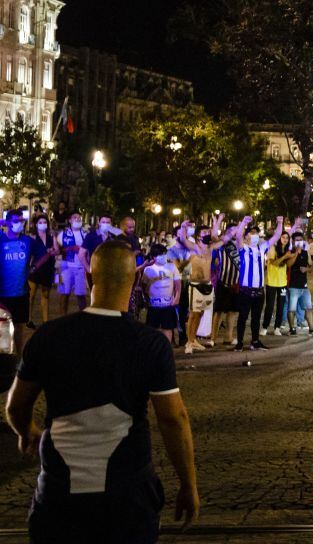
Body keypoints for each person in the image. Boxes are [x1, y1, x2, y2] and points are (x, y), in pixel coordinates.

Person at [5, 239, 199, 542]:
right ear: (135, 279)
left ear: (90, 278)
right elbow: (174, 419)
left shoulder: (47, 336)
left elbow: (16, 407)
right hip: (128, 500)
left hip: (58, 499)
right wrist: (188, 485)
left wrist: (27, 432)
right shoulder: (150, 344)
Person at [234, 215, 286, 351]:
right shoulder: (243, 248)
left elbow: (276, 236)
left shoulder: (262, 248)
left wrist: (280, 222)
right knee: (243, 317)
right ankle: (239, 342)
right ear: (247, 237)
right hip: (246, 290)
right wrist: (243, 222)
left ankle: (255, 341)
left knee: (256, 318)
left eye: (256, 233)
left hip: (258, 291)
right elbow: (238, 235)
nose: (255, 235)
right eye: (252, 233)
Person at [184, 218, 231, 354]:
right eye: (204, 232)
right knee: (193, 314)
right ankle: (189, 342)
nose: (207, 234)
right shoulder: (193, 247)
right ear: (198, 235)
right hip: (195, 285)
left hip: (208, 285)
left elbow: (223, 240)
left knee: (201, 314)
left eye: (208, 232)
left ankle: (194, 341)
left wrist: (222, 222)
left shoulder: (210, 247)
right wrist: (183, 227)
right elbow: (182, 239)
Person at [0, 209, 34, 355]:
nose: (20, 224)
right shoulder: (1, 239)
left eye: (21, 221)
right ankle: (5, 357)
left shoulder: (27, 241)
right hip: (3, 293)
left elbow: (46, 252)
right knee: (3, 327)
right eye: (16, 221)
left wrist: (33, 268)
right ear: (7, 222)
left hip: (21, 292)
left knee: (20, 327)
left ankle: (18, 357)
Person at [142, 244, 182, 343]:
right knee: (153, 328)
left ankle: (167, 348)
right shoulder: (148, 269)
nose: (163, 256)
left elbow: (178, 285)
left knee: (168, 328)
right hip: (153, 304)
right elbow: (143, 286)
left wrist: (177, 298)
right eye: (159, 254)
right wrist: (146, 300)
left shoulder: (172, 267)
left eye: (164, 254)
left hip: (168, 304)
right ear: (153, 256)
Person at [210, 224, 241, 347]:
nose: (234, 233)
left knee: (232, 312)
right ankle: (213, 338)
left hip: (236, 282)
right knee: (218, 312)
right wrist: (218, 221)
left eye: (236, 230)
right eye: (232, 230)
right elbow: (213, 237)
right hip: (223, 280)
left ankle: (228, 337)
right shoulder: (223, 242)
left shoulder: (240, 243)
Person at [285, 230, 313, 336]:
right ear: (293, 242)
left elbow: (311, 266)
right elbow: (289, 265)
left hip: (304, 285)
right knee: (292, 309)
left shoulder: (305, 252)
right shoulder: (289, 252)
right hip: (293, 285)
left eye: (300, 240)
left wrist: (306, 269)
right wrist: (296, 254)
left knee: (308, 308)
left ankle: (312, 329)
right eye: (296, 240)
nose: (299, 242)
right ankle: (292, 329)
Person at [28, 213, 58, 326]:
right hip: (36, 269)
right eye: (40, 222)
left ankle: (45, 321)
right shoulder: (32, 237)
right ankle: (29, 319)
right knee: (31, 296)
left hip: (47, 269)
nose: (42, 224)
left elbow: (57, 251)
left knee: (45, 296)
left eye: (44, 222)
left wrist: (54, 238)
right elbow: (29, 254)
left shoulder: (50, 237)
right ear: (36, 224)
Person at [57, 211, 87, 314]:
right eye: (75, 217)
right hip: (66, 267)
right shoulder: (62, 234)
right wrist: (71, 248)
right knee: (65, 294)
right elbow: (58, 250)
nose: (77, 219)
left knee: (81, 295)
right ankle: (62, 319)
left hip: (81, 267)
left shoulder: (85, 234)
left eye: (79, 217)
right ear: (70, 220)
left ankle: (83, 318)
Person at [260, 236, 290, 336]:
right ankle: (265, 327)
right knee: (270, 306)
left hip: (282, 283)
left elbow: (289, 264)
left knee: (281, 306)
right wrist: (285, 257)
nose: (285, 239)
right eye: (283, 237)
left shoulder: (287, 249)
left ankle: (277, 327)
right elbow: (275, 262)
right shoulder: (272, 248)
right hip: (272, 282)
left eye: (287, 238)